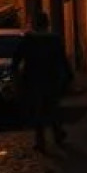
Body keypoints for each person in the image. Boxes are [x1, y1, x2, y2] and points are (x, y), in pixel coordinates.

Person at [11, 12, 72, 154]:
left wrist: (16, 75)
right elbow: (62, 59)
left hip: (33, 78)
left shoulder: (28, 40)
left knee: (38, 109)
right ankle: (57, 134)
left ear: (33, 24)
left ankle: (41, 141)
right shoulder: (55, 40)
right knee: (52, 106)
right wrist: (68, 76)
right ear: (47, 24)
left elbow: (17, 59)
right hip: (51, 78)